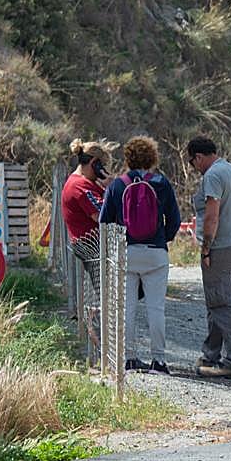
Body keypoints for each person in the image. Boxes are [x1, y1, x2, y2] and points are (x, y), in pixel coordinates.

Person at [99, 136, 181, 374]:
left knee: (127, 308)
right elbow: (174, 221)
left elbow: (104, 221)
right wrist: (159, 238)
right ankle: (159, 360)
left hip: (127, 253)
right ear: (152, 157)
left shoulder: (117, 185)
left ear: (128, 157)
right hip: (156, 254)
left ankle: (129, 358)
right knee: (156, 309)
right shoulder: (161, 183)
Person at [187, 136, 231, 378]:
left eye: (193, 162)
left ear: (198, 157)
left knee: (222, 304)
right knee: (217, 301)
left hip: (221, 247)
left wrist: (206, 249)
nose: (194, 167)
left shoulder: (212, 175)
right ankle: (210, 354)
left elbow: (212, 216)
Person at [60, 138, 118, 299]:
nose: (104, 170)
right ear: (94, 163)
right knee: (106, 293)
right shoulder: (80, 186)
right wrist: (109, 190)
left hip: (91, 243)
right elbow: (101, 215)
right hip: (90, 245)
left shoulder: (82, 182)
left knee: (107, 291)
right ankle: (102, 321)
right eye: (102, 166)